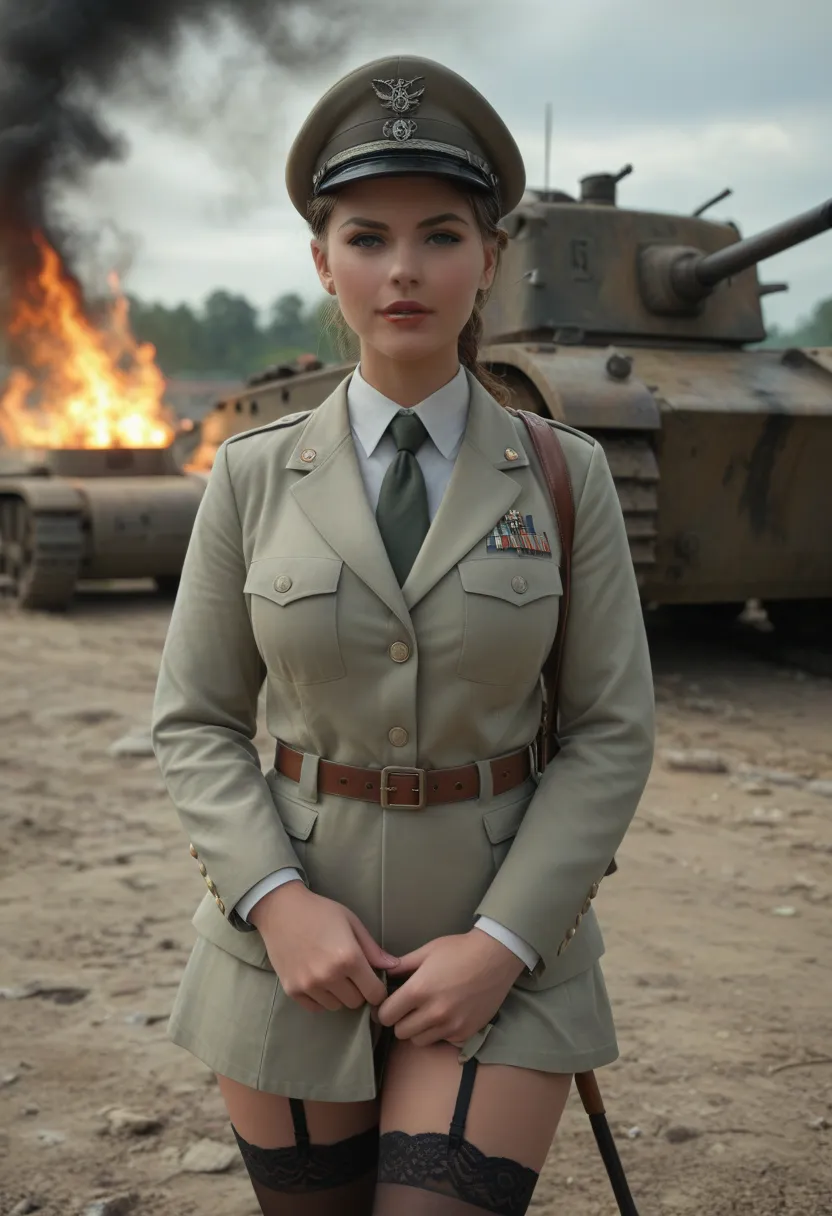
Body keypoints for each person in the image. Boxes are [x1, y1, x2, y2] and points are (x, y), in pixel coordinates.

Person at [151, 53, 655, 1216]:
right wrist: (273, 898)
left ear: (489, 258)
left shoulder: (562, 477)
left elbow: (610, 732)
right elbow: (194, 719)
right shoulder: (253, 476)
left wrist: (505, 940)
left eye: (439, 233)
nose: (403, 270)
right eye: (366, 238)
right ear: (322, 262)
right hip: (288, 947)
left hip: (500, 938)